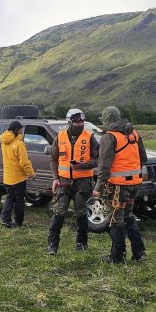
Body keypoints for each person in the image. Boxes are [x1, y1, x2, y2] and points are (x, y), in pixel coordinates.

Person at [92, 106, 148, 264]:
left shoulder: (109, 137)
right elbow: (143, 158)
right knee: (128, 216)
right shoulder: (134, 134)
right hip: (134, 185)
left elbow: (104, 167)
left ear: (107, 120)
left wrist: (98, 188)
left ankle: (117, 257)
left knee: (116, 220)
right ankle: (139, 253)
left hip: (117, 187)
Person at [47, 108, 99, 255]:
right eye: (77, 121)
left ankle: (82, 244)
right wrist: (55, 178)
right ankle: (52, 245)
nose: (80, 123)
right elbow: (53, 158)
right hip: (63, 182)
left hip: (83, 182)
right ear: (70, 121)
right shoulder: (61, 136)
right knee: (59, 212)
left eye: (82, 120)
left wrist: (82, 166)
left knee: (81, 212)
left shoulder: (89, 137)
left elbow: (98, 159)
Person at [0, 120, 36, 228]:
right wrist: (32, 174)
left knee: (10, 198)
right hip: (19, 178)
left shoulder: (4, 143)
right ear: (16, 130)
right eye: (20, 129)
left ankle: (5, 221)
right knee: (19, 200)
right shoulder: (19, 144)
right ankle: (19, 222)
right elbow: (24, 162)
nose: (22, 131)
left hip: (7, 177)